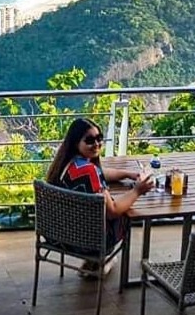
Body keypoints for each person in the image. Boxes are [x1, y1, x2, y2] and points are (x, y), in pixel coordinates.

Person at [44, 117, 154, 277]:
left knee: (113, 206)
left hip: (59, 235)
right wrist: (137, 190)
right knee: (128, 213)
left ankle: (95, 262)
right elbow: (113, 211)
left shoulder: (65, 164)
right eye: (89, 140)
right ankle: (102, 258)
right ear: (77, 143)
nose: (96, 144)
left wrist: (127, 174)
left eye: (99, 138)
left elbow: (100, 173)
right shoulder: (90, 171)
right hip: (89, 241)